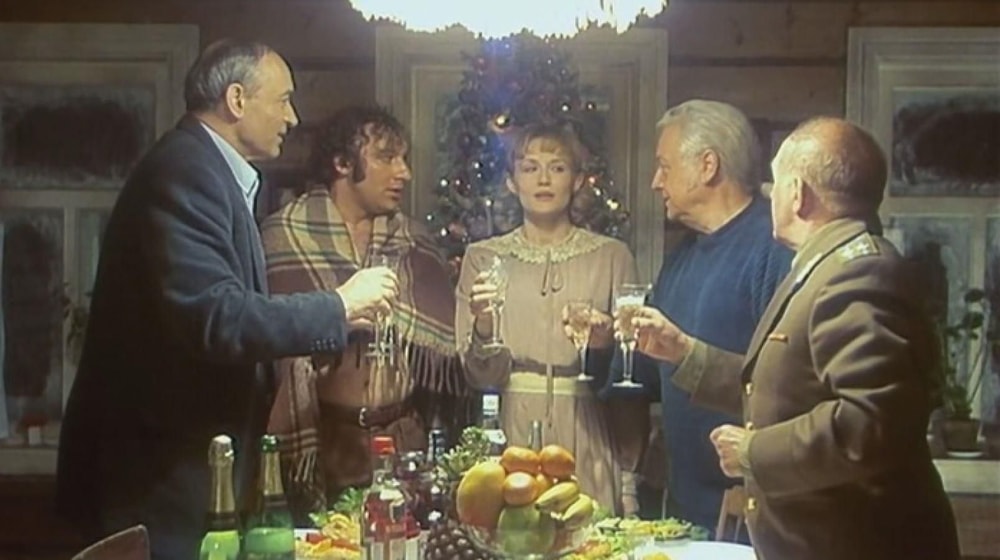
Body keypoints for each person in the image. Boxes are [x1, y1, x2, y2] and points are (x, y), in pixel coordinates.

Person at [55, 40, 397, 559]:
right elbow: (215, 316)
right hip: (157, 480)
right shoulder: (184, 172)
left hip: (184, 472)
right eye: (282, 100)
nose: (292, 117)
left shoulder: (208, 171)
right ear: (236, 100)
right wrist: (339, 305)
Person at [626, 117, 960, 560]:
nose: (769, 194)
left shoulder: (858, 272)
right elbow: (786, 391)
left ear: (799, 193)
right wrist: (685, 353)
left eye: (776, 182)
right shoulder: (822, 267)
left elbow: (870, 422)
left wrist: (755, 452)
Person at [260, 105, 464, 516]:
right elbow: (264, 340)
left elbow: (449, 354)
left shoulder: (415, 242)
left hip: (404, 441)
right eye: (387, 158)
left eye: (403, 158)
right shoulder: (283, 235)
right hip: (323, 443)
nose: (404, 172)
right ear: (342, 163)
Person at [610, 100, 792, 529]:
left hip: (752, 516)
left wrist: (685, 351)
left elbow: (787, 386)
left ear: (708, 165)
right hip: (684, 508)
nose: (656, 182)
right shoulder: (682, 257)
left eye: (665, 167)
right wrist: (605, 341)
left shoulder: (773, 248)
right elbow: (649, 374)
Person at [455, 121, 646, 515]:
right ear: (512, 182)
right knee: (515, 535)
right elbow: (477, 375)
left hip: (588, 432)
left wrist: (603, 344)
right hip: (510, 433)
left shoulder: (612, 257)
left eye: (557, 168)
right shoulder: (483, 258)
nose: (543, 179)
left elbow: (634, 376)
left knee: (590, 538)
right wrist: (484, 327)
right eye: (529, 168)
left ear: (576, 180)